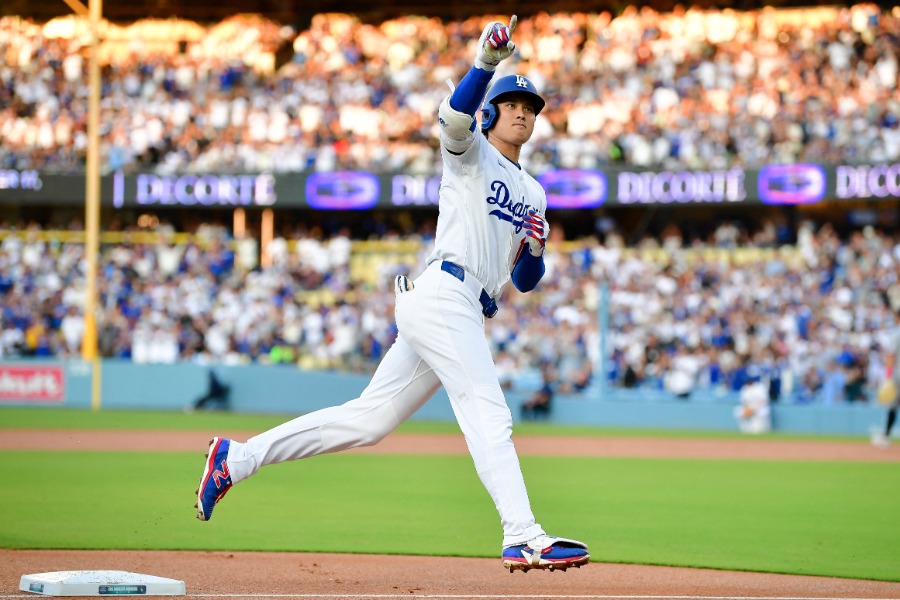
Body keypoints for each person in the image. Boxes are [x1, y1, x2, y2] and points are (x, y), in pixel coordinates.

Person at [195, 16, 589, 573]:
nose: (524, 111)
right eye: (513, 102)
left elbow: (523, 281)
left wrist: (537, 253)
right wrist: (485, 64)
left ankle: (236, 459)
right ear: (492, 112)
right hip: (445, 293)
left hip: (467, 308)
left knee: (368, 421)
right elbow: (453, 117)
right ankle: (523, 534)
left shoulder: (534, 193)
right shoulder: (470, 152)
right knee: (487, 410)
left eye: (532, 106)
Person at [872, 324, 900, 449]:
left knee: (893, 405)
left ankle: (886, 436)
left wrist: (888, 376)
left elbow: (891, 355)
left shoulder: (897, 333)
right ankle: (885, 436)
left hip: (898, 375)